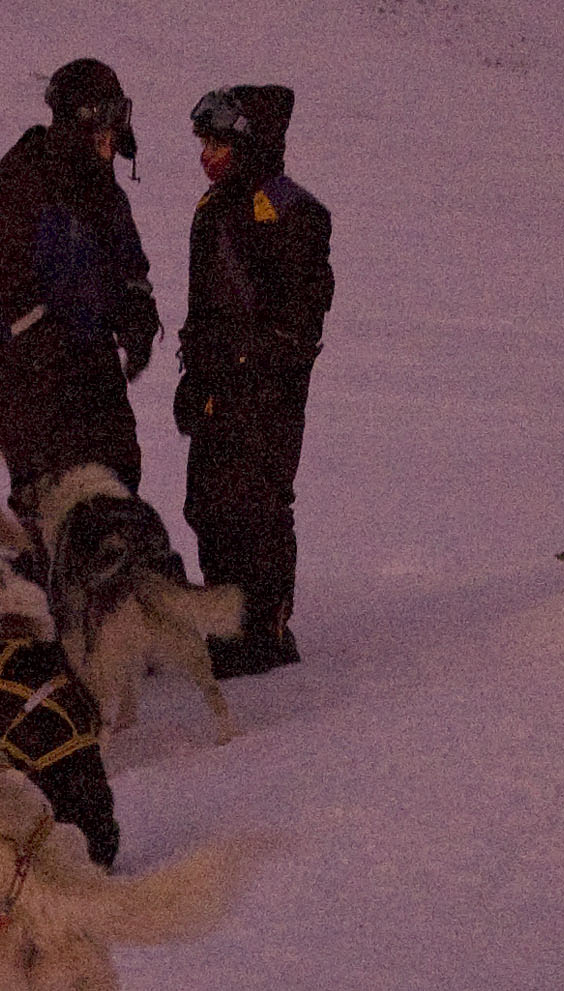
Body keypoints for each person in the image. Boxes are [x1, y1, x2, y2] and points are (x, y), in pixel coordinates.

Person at [174, 84, 333, 676]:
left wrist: (257, 366)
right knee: (208, 503)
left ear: (248, 143)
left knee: (259, 504)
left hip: (268, 392)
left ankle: (266, 627)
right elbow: (199, 306)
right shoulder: (210, 210)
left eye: (217, 142)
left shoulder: (294, 211)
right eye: (204, 143)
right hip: (218, 384)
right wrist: (193, 374)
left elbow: (302, 316)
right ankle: (226, 623)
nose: (206, 155)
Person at [0, 58, 163, 521]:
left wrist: (137, 315)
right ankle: (45, 583)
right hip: (29, 369)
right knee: (51, 501)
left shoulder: (106, 193)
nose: (112, 137)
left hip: (92, 363)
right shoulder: (25, 184)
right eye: (103, 122)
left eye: (116, 123)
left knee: (117, 487)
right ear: (79, 121)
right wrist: (41, 334)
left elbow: (129, 268)